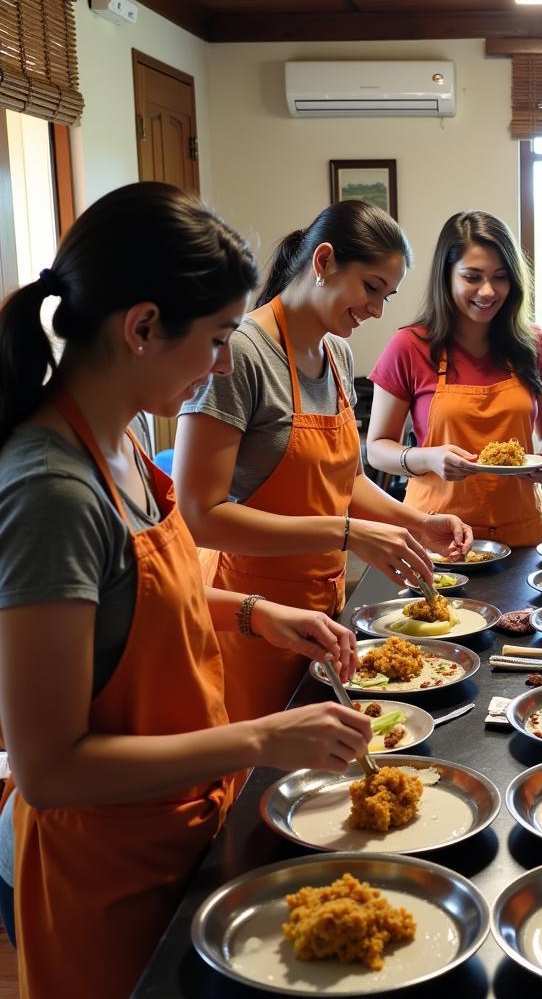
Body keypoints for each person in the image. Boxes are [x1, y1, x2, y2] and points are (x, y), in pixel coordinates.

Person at [0, 182, 372, 999]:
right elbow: (48, 769)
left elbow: (127, 604)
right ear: (141, 328)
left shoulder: (126, 438)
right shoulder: (52, 491)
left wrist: (252, 612)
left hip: (177, 830)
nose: (225, 363)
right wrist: (259, 740)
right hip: (104, 871)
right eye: (216, 338)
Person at [173, 200, 472, 722]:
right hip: (250, 614)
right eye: (372, 287)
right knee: (253, 780)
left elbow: (343, 480)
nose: (378, 309)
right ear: (325, 260)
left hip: (322, 608)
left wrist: (417, 524)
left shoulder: (338, 356)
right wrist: (348, 534)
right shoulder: (241, 354)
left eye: (388, 295)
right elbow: (201, 517)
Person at [365, 210, 542, 548]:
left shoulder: (533, 345)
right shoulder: (409, 346)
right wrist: (427, 458)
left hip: (520, 532)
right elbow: (377, 449)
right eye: (472, 277)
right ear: (446, 276)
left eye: (500, 277)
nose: (488, 291)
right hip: (437, 534)